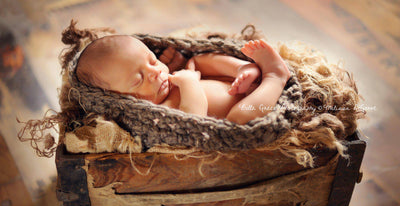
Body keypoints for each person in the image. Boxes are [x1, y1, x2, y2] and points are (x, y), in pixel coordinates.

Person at [76, 35, 290, 124]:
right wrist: (189, 83)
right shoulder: (161, 112)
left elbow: (196, 66)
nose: (154, 72)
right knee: (239, 118)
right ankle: (275, 77)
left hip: (238, 85)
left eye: (152, 60)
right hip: (255, 106)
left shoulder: (169, 80)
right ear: (119, 101)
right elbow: (193, 120)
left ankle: (243, 68)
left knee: (198, 60)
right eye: (138, 79)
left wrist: (180, 65)